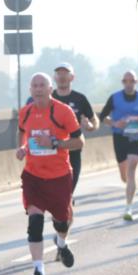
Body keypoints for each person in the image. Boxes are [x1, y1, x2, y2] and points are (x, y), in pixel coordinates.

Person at [17, 73, 84, 275]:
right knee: (34, 223)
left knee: (61, 222)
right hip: (33, 176)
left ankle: (62, 243)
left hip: (59, 176)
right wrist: (23, 148)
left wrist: (55, 142)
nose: (38, 89)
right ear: (30, 90)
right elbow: (23, 134)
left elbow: (79, 141)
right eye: (34, 85)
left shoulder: (63, 111)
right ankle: (39, 273)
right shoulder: (25, 113)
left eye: (42, 85)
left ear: (50, 89)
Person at [98, 71, 138, 221]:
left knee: (131, 169)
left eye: (132, 81)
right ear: (122, 82)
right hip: (119, 137)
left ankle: (128, 207)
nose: (129, 84)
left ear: (136, 82)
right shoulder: (115, 97)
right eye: (126, 81)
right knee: (124, 175)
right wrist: (115, 123)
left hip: (136, 136)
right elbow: (102, 116)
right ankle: (127, 184)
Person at [51, 62, 98, 199]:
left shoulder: (80, 99)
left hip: (73, 150)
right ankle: (63, 213)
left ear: (72, 77)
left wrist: (90, 126)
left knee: (68, 190)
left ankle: (65, 212)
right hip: (52, 151)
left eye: (65, 73)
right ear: (55, 78)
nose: (62, 76)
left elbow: (94, 120)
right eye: (59, 73)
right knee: (56, 192)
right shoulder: (49, 98)